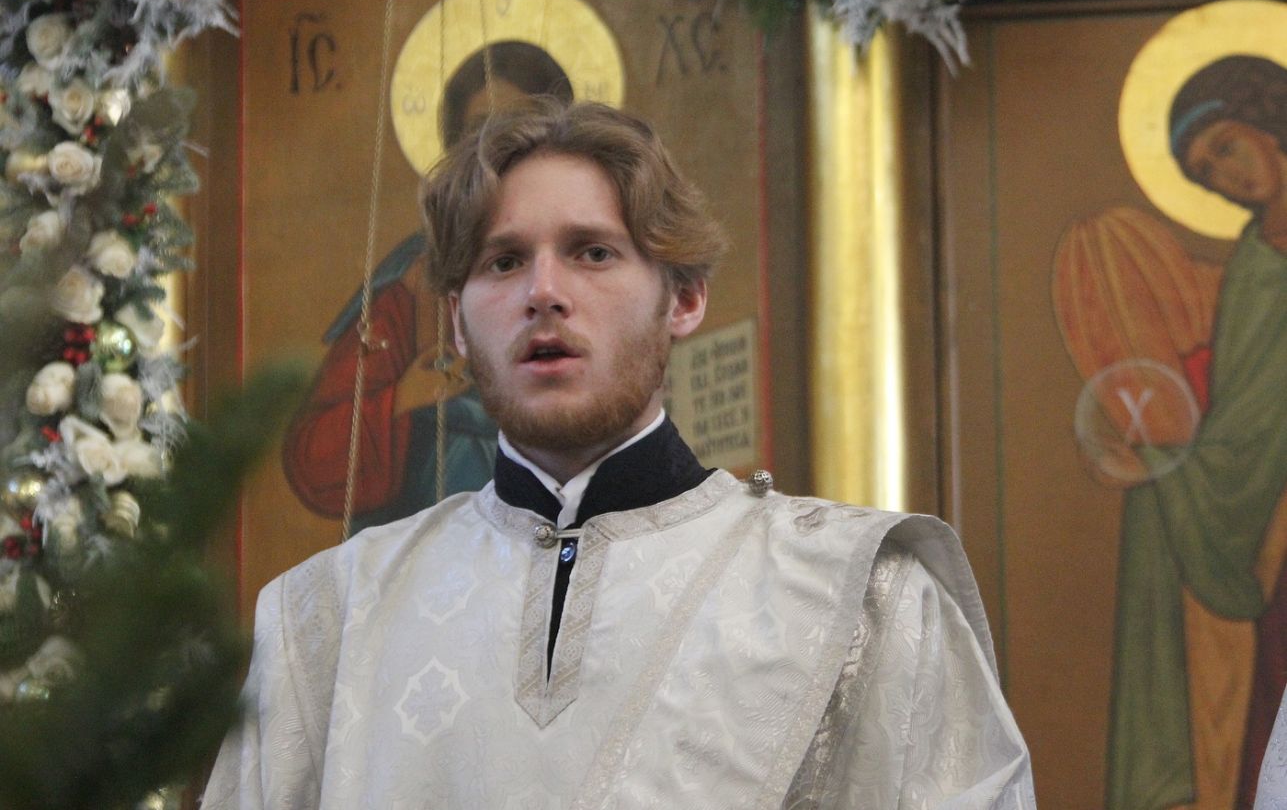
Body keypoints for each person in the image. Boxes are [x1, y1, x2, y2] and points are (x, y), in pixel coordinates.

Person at [204, 101, 1034, 808]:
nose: (543, 292)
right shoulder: (329, 617)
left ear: (684, 297)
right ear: (456, 322)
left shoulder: (865, 596)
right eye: (503, 261)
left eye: (592, 252)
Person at [1061, 55, 1287, 810]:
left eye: (1225, 147)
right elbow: (1250, 418)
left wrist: (1167, 466)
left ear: (1267, 121)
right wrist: (1166, 465)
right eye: (1205, 173)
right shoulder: (1254, 266)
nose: (1226, 177)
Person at [282, 42, 574, 532]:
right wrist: (400, 398)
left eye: (520, 128)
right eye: (478, 133)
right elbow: (314, 453)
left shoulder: (596, 269)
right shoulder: (412, 285)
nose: (497, 152)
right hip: (434, 542)